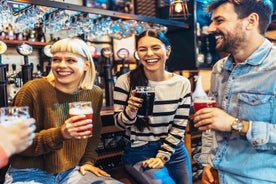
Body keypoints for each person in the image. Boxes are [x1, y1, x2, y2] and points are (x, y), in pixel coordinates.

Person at [4, 37, 122, 184]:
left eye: (70, 60)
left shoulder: (95, 93)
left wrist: (88, 161)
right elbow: (10, 142)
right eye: (56, 59)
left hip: (71, 170)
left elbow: (94, 132)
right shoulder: (30, 90)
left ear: (86, 65)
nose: (61, 65)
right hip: (27, 172)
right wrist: (60, 134)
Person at [193, 0, 276, 183]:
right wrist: (208, 162)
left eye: (219, 20)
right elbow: (211, 124)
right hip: (217, 176)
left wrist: (236, 125)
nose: (210, 28)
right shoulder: (219, 68)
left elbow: (227, 123)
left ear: (250, 21)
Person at [113, 30, 193, 184]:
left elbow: (179, 126)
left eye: (155, 48)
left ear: (167, 51)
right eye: (143, 49)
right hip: (139, 151)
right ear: (137, 54)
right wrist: (130, 110)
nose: (149, 54)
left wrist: (162, 156)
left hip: (174, 149)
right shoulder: (125, 81)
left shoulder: (182, 83)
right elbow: (120, 124)